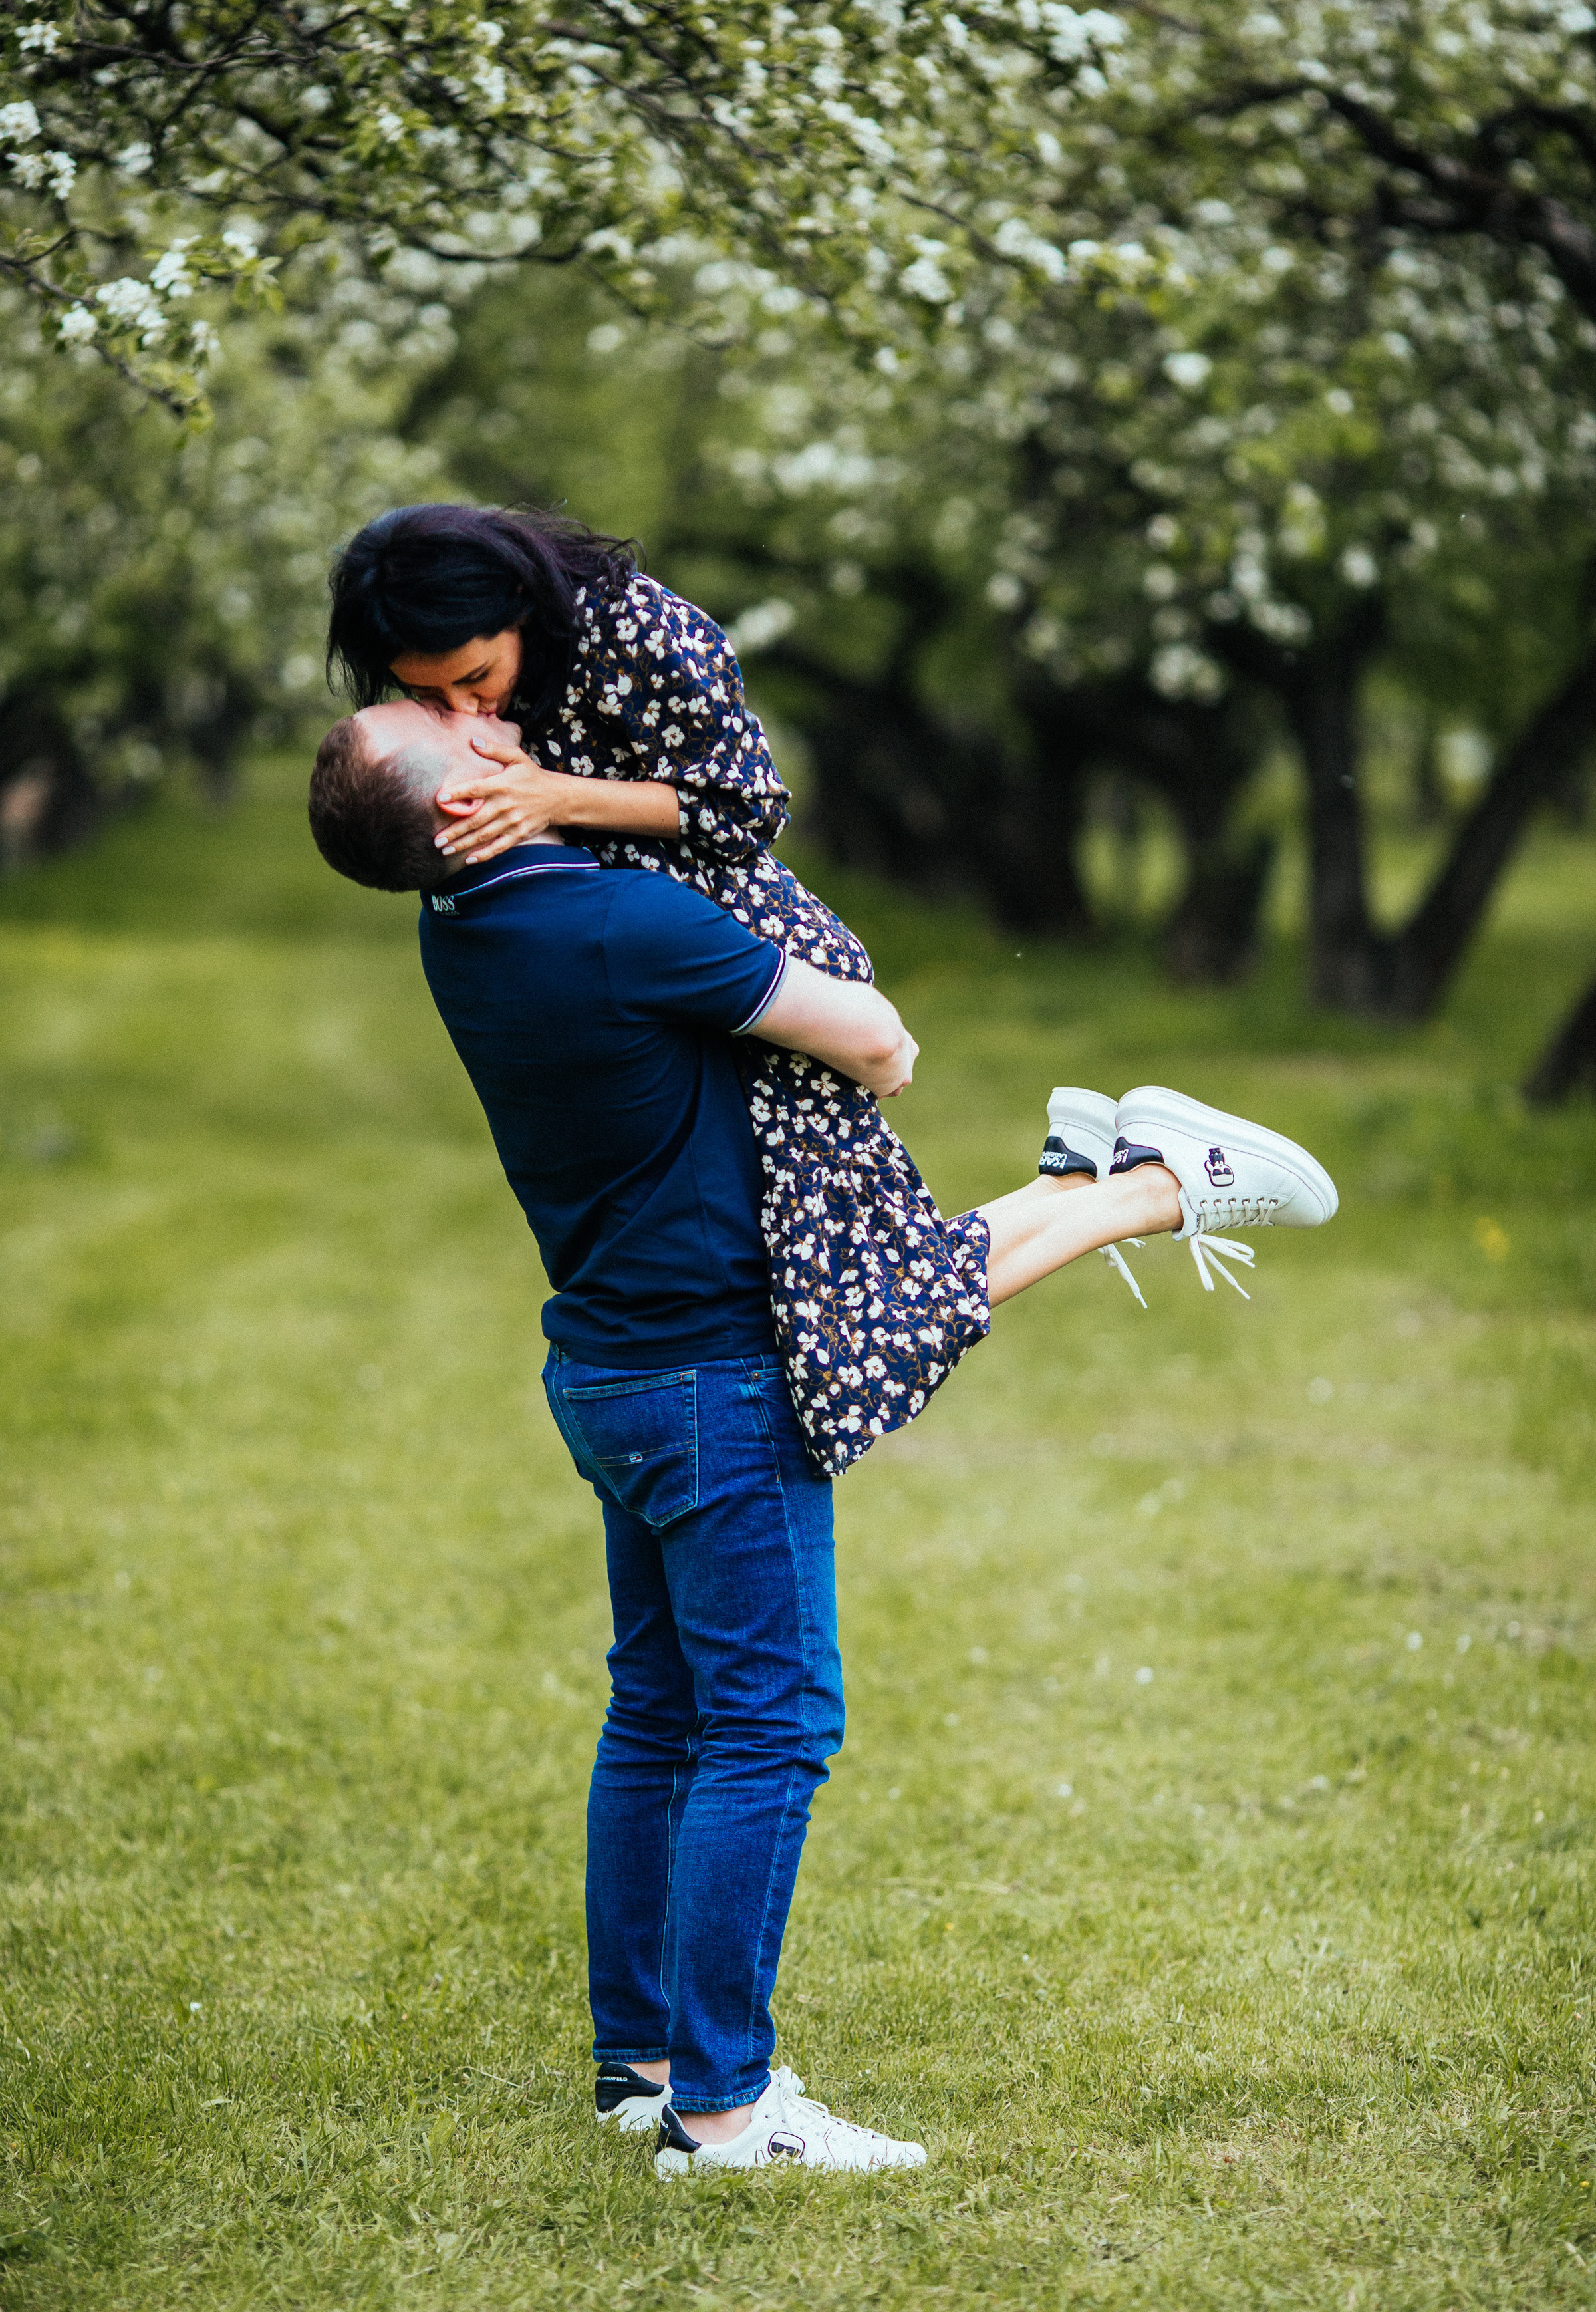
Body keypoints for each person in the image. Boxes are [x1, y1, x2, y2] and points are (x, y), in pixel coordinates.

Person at [306, 702, 1339, 2177]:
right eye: (457, 724)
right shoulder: (616, 928)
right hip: (715, 1380)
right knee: (770, 1727)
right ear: (470, 799)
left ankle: (642, 2065)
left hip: (616, 1372)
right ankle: (722, 2114)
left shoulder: (467, 927)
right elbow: (880, 1045)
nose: (492, 712)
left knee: (660, 1715)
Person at [317, 504, 1247, 1488]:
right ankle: (1093, 1185)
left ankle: (1151, 1189)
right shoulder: (478, 696)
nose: (467, 713)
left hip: (726, 949)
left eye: (476, 680)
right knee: (847, 1296)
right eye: (434, 700)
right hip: (641, 967)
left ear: (519, 603)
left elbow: (746, 807)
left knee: (839, 1317)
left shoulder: (639, 633)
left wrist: (558, 797)